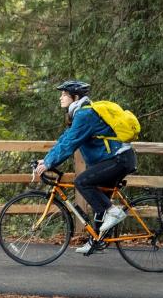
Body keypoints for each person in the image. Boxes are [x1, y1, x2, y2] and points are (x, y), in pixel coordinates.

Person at [34, 80, 138, 254]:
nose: (60, 98)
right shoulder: (81, 113)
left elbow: (71, 143)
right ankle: (97, 241)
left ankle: (114, 212)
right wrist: (46, 160)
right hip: (116, 159)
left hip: (119, 160)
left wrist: (50, 162)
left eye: (64, 94)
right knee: (100, 199)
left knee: (82, 182)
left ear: (75, 97)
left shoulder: (85, 114)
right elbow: (65, 138)